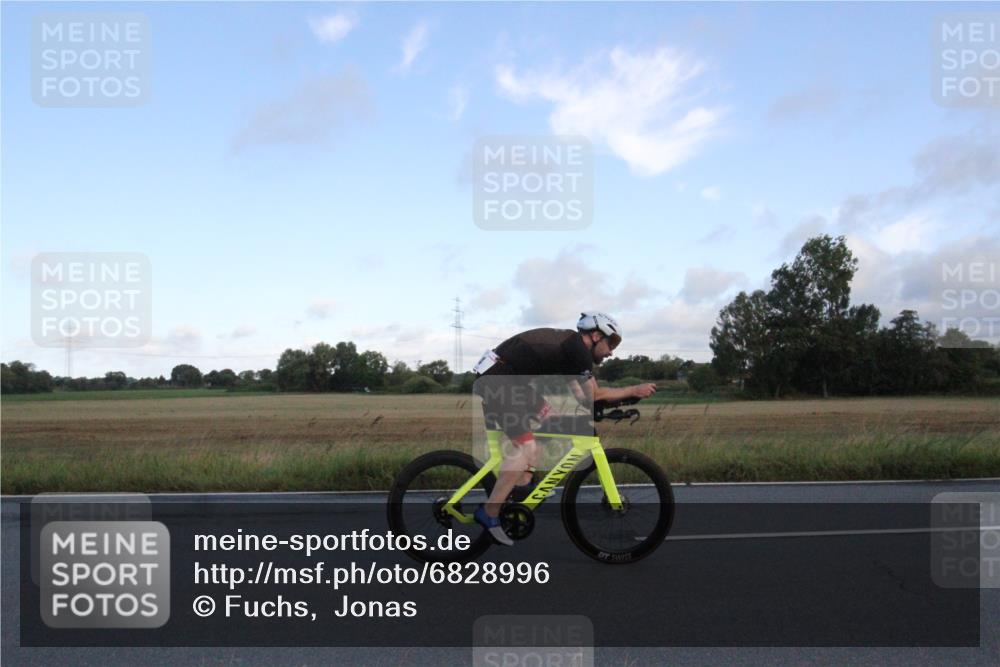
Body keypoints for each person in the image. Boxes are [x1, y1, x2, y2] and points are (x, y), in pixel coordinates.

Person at [471, 312, 657, 545]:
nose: (611, 352)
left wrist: (616, 404)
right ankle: (489, 513)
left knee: (551, 418)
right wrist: (633, 390)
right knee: (526, 447)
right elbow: (595, 394)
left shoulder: (571, 352)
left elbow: (584, 398)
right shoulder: (576, 349)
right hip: (499, 380)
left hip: (508, 378)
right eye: (611, 344)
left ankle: (521, 486)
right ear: (597, 335)